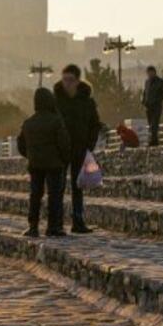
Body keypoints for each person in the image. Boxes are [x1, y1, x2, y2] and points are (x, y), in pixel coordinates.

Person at [17, 87, 71, 237]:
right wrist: (64, 159)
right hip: (54, 164)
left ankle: (33, 226)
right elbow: (64, 143)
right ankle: (53, 227)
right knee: (54, 196)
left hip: (35, 164)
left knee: (35, 195)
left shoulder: (28, 123)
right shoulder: (56, 121)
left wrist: (31, 155)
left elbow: (21, 145)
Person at [54, 64, 101, 234]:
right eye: (64, 79)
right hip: (60, 150)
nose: (67, 83)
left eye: (70, 80)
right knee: (58, 187)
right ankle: (56, 223)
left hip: (80, 149)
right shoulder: (56, 101)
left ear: (78, 81)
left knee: (78, 187)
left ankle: (78, 222)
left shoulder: (87, 101)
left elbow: (95, 124)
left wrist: (89, 144)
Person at [141, 66, 163, 146]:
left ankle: (153, 141)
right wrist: (143, 101)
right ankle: (154, 140)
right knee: (151, 124)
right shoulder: (147, 82)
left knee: (154, 123)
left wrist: (158, 99)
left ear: (154, 72)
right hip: (148, 106)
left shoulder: (160, 82)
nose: (149, 74)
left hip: (157, 106)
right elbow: (145, 93)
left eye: (151, 72)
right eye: (148, 73)